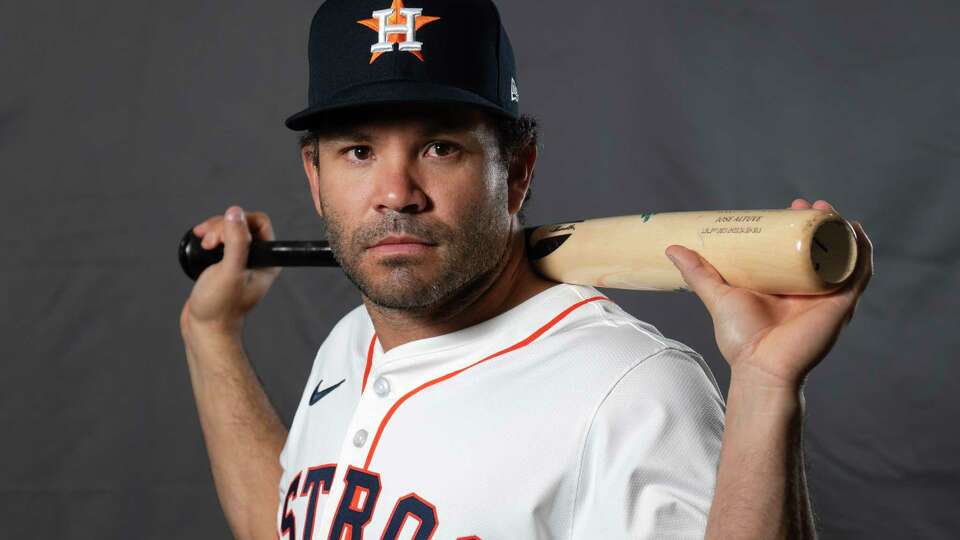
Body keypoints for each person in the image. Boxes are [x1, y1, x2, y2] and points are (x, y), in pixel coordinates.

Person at [179, 0, 873, 538]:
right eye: (358, 152)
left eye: (441, 147)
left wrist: (765, 386)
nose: (396, 193)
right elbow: (282, 524)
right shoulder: (351, 341)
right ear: (315, 176)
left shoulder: (629, 390)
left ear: (517, 170)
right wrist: (211, 335)